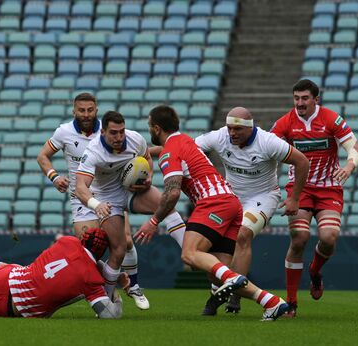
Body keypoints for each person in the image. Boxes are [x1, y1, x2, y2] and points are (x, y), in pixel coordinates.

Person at [136, 105, 289, 321]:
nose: (149, 130)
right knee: (216, 274)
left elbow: (172, 193)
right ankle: (271, 302)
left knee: (189, 254)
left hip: (213, 203)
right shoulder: (185, 141)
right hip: (232, 204)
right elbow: (165, 154)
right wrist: (139, 155)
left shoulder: (170, 152)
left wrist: (153, 221)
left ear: (157, 128)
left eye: (150, 126)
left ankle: (232, 281)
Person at [37, 93, 151, 309]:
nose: (86, 114)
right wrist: (54, 176)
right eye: (82, 110)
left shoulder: (108, 131)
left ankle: (133, 285)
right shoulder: (64, 132)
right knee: (89, 249)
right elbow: (42, 156)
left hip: (111, 193)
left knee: (125, 241)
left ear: (96, 109)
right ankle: (114, 284)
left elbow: (133, 151)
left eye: (90, 109)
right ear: (74, 111)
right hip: (82, 197)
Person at [193, 107, 309, 315]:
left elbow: (302, 161)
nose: (232, 134)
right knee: (213, 244)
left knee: (243, 235)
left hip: (262, 197)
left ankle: (235, 294)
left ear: (250, 127)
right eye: (229, 128)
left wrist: (294, 198)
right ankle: (220, 287)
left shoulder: (267, 141)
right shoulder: (220, 137)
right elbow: (190, 149)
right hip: (231, 197)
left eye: (237, 129)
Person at [270, 79, 358, 317]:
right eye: (296, 98)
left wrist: (349, 166)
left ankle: (314, 272)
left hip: (328, 188)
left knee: (329, 238)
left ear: (315, 99)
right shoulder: (285, 123)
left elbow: (355, 148)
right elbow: (267, 148)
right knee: (299, 238)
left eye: (305, 98)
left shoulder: (331, 119)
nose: (300, 103)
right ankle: (291, 302)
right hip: (300, 188)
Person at [75, 111, 187, 306]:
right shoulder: (93, 152)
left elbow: (147, 159)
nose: (119, 137)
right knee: (118, 250)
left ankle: (190, 250)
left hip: (132, 190)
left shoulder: (135, 139)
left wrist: (149, 177)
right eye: (114, 133)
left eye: (122, 132)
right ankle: (107, 300)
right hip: (107, 199)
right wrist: (96, 205)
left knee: (166, 204)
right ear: (103, 132)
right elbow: (80, 187)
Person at [0, 227, 124, 319]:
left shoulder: (67, 241)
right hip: (8, 308)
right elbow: (110, 315)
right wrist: (114, 288)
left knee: (14, 268)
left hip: (4, 277)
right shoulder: (92, 280)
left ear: (84, 239)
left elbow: (73, 260)